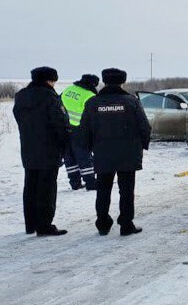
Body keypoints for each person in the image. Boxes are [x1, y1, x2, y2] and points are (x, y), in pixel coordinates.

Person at [79, 68, 151, 236]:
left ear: (104, 81)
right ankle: (126, 224)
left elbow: (84, 130)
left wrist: (87, 148)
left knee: (103, 189)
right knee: (126, 190)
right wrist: (142, 145)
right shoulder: (131, 101)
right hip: (128, 153)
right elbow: (144, 127)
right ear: (122, 82)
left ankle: (102, 224)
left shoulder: (92, 103)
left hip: (102, 153)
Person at [13, 66, 70, 236]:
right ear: (49, 80)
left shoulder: (21, 96)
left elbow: (18, 117)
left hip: (28, 147)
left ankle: (30, 224)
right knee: (46, 188)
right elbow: (60, 122)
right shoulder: (50, 97)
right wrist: (65, 142)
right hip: (49, 148)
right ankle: (44, 225)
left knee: (30, 186)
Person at [60, 74, 99, 190]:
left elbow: (57, 104)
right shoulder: (89, 96)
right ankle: (90, 183)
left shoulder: (68, 90)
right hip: (80, 130)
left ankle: (74, 183)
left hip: (65, 128)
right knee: (84, 157)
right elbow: (93, 116)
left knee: (69, 156)